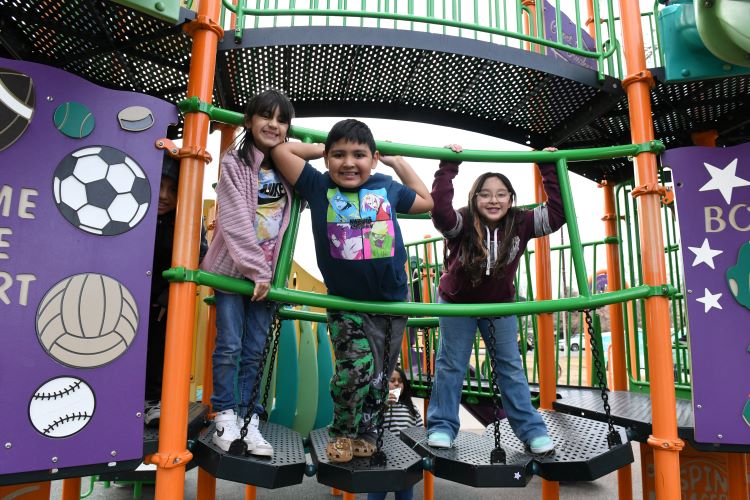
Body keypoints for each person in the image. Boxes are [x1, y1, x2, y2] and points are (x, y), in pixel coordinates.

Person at [271, 119, 433, 463]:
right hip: (345, 302)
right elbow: (281, 150)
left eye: (359, 154)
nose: (348, 162)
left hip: (391, 302)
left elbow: (425, 201)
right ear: (327, 159)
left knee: (378, 376)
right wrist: (319, 148)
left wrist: (398, 162)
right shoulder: (317, 185)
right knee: (354, 370)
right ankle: (342, 430)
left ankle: (367, 433)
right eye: (339, 154)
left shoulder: (386, 186)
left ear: (373, 159)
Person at [426, 144, 565, 455]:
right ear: (475, 199)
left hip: (499, 305)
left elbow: (557, 214)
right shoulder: (462, 222)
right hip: (458, 303)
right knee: (451, 365)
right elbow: (440, 212)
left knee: (510, 367)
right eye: (485, 194)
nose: (494, 200)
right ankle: (442, 427)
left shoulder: (521, 222)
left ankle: (531, 431)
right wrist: (448, 165)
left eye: (501, 194)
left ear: (511, 199)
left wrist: (548, 166)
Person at [199, 90, 296, 456]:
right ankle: (224, 412)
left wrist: (267, 274)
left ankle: (248, 418)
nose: (273, 124)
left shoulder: (286, 167)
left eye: (281, 119)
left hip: (266, 276)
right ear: (249, 120)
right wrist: (257, 270)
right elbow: (237, 221)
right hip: (234, 271)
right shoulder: (234, 163)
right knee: (230, 345)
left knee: (255, 349)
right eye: (265, 116)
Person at [144, 155, 208, 427]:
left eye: (172, 190)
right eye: (159, 185)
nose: (163, 196)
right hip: (130, 290)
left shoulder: (184, 220)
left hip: (163, 298)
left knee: (160, 346)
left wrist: (169, 295)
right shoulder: (132, 210)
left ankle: (154, 401)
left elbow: (198, 252)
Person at [367, 367, 423, 500]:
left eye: (400, 381)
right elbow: (370, 425)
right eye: (392, 380)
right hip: (382, 460)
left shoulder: (410, 408)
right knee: (376, 495)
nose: (397, 384)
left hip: (406, 460)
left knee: (405, 495)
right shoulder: (378, 406)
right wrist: (383, 404)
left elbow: (419, 430)